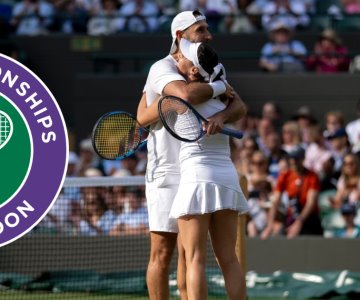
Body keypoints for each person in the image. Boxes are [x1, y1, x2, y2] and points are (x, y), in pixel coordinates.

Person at [136, 10, 246, 300]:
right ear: (180, 36)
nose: (208, 35)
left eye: (207, 29)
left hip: (195, 170)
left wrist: (221, 115)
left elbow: (239, 107)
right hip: (167, 170)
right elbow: (182, 97)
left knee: (190, 255)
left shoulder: (210, 64)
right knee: (163, 253)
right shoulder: (161, 68)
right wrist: (220, 87)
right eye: (200, 30)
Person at [168, 38, 249, 300]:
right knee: (229, 259)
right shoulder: (223, 97)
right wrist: (222, 109)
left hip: (196, 178)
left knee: (194, 259)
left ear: (193, 70)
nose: (176, 59)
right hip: (226, 176)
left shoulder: (181, 95)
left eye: (181, 57)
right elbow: (238, 105)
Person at [261, 147, 323, 239]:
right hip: (292, 216)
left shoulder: (312, 177)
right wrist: (270, 225)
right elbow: (275, 201)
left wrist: (299, 222)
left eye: (297, 158)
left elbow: (310, 203)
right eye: (291, 158)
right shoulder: (285, 176)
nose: (293, 161)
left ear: (302, 159)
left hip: (309, 218)